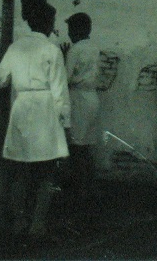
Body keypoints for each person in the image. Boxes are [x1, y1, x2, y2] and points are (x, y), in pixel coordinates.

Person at [0, 2, 71, 238]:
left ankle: (19, 221)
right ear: (47, 23)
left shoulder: (16, 47)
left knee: (21, 169)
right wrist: (65, 124)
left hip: (22, 106)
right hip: (45, 109)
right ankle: (38, 223)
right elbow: (60, 90)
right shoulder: (51, 50)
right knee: (46, 171)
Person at [64, 12, 101, 208]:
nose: (69, 34)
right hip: (92, 97)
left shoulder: (75, 50)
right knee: (86, 146)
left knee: (77, 146)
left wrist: (63, 59)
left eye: (71, 30)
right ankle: (90, 187)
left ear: (78, 30)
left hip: (78, 97)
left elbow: (66, 78)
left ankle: (80, 191)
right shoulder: (94, 49)